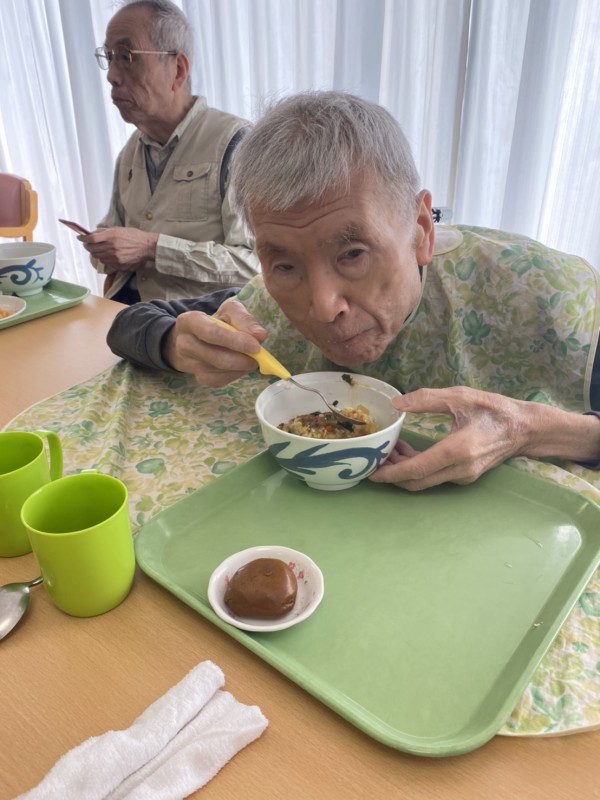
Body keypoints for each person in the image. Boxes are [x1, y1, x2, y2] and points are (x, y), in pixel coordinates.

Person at [107, 90, 600, 490]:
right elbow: (130, 325)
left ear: (421, 231)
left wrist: (527, 429)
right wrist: (178, 344)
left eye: (353, 253)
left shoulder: (544, 293)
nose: (323, 307)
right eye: (285, 264)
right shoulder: (265, 307)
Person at [80, 0, 259, 304]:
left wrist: (153, 248)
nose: (111, 75)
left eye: (126, 57)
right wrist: (103, 250)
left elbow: (255, 265)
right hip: (130, 314)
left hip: (205, 320)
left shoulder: (235, 143)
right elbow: (111, 233)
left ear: (178, 70)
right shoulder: (130, 152)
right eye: (109, 57)